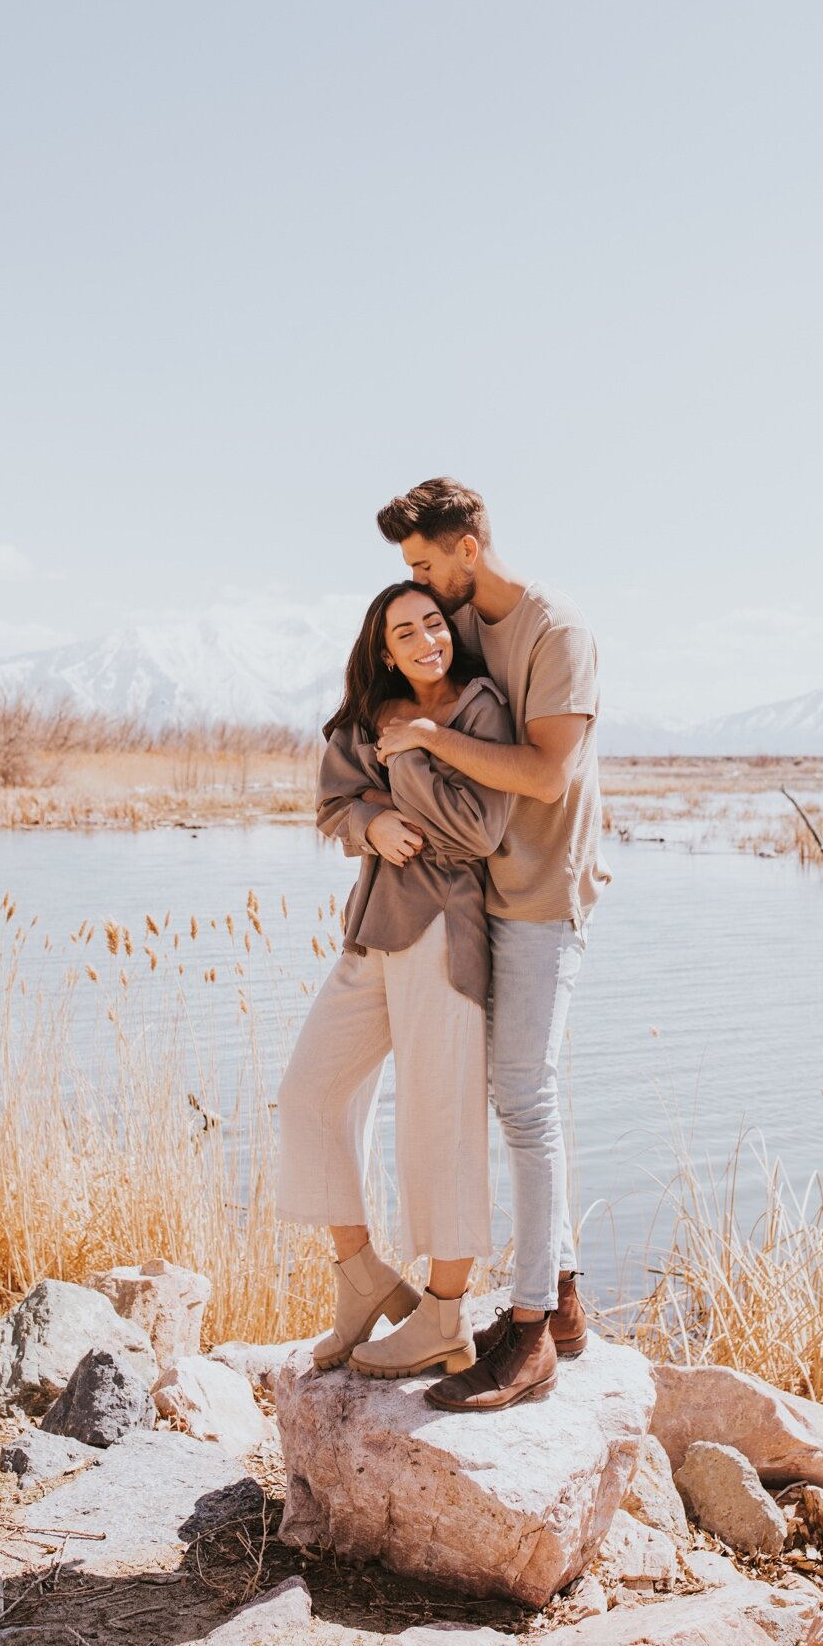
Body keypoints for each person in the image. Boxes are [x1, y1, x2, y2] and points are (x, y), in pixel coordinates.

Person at [373, 477, 610, 1411]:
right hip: (479, 892)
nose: (423, 583)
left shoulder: (560, 633)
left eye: (427, 563)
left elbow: (549, 776)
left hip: (545, 893)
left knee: (524, 1092)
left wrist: (428, 733)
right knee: (516, 1093)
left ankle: (525, 1333)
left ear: (468, 548)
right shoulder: (461, 627)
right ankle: (563, 1302)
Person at [276, 580, 518, 1384]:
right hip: (374, 927)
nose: (426, 639)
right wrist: (369, 822)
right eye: (404, 630)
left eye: (433, 624)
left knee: (439, 1118)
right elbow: (334, 801)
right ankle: (362, 1276)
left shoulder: (481, 707)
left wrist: (412, 746)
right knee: (309, 1091)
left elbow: (478, 828)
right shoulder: (367, 714)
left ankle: (444, 1319)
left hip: (446, 933)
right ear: (383, 648)